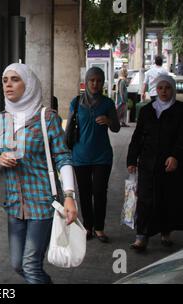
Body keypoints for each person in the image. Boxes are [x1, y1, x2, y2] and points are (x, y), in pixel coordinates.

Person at [0, 63, 77, 284]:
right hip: (14, 204)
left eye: (15, 79)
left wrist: (69, 196)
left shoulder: (46, 118)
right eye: (5, 80)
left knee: (30, 264)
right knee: (17, 264)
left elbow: (62, 157)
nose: (8, 84)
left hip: (41, 204)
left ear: (28, 84)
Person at [127, 74, 183, 252]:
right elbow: (137, 137)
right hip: (147, 163)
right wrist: (131, 159)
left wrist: (175, 156)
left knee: (166, 198)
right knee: (144, 199)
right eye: (160, 88)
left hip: (169, 165)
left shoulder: (180, 110)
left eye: (167, 88)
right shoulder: (146, 110)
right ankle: (141, 236)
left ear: (172, 89)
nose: (164, 91)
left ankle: (165, 231)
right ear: (155, 90)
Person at [66, 67, 120, 243]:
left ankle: (99, 228)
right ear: (86, 81)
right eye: (92, 80)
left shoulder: (107, 103)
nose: (95, 84)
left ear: (103, 82)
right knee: (84, 192)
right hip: (80, 156)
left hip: (102, 156)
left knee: (99, 192)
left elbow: (117, 128)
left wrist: (109, 121)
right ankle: (88, 226)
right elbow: (68, 130)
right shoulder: (76, 102)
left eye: (99, 80)